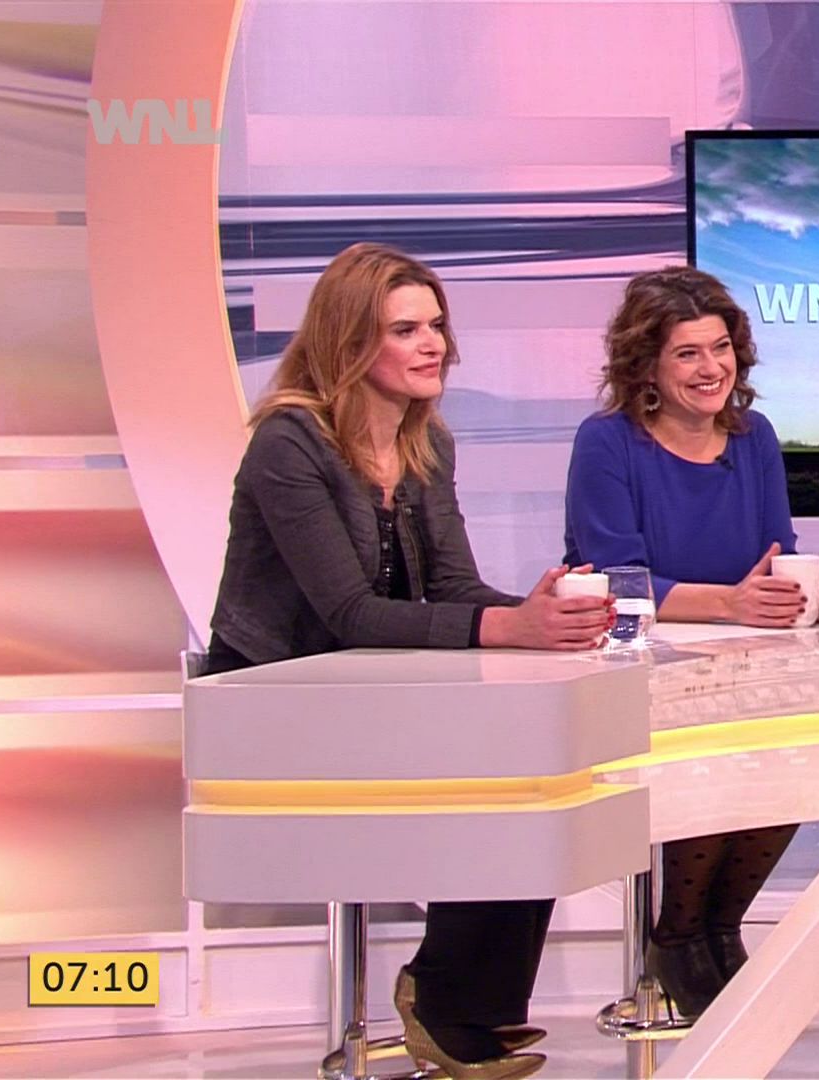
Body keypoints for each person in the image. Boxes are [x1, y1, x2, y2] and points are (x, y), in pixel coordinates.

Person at [205, 242, 612, 1080]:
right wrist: (509, 629)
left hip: (379, 692)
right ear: (350, 341)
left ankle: (472, 1001)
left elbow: (455, 586)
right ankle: (445, 998)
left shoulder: (428, 444)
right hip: (276, 703)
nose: (434, 345)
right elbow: (348, 613)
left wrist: (543, 613)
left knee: (537, 755)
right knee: (497, 763)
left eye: (436, 326)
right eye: (406, 329)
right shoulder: (290, 444)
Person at [563, 266, 806, 1017]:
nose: (712, 368)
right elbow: (613, 578)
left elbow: (778, 552)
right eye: (688, 353)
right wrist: (730, 603)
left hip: (742, 659)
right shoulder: (608, 443)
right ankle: (677, 934)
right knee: (712, 753)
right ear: (647, 365)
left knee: (796, 753)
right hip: (638, 665)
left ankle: (718, 928)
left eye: (720, 348)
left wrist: (793, 593)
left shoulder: (754, 438)